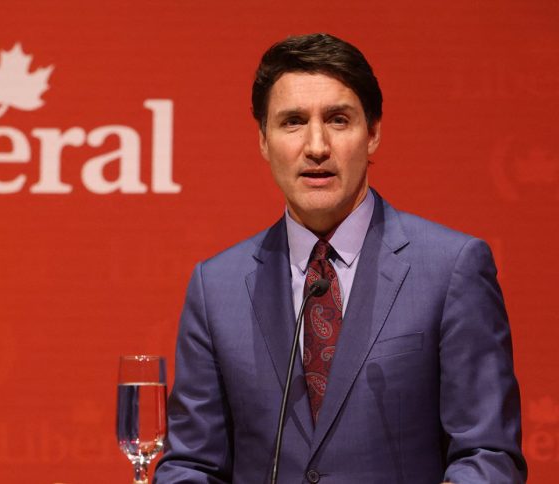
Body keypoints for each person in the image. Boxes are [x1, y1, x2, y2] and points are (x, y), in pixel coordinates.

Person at [154, 33, 527, 483]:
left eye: (337, 119)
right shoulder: (217, 287)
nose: (316, 146)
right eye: (292, 122)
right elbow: (193, 465)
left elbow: (486, 454)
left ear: (372, 134)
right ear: (263, 142)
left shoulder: (451, 268)